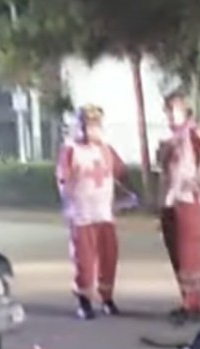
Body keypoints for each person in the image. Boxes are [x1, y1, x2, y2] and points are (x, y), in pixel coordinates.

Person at [157, 90, 200, 326]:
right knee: (176, 253)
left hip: (188, 200)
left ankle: (194, 306)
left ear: (184, 109)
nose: (170, 113)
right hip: (170, 200)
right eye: (167, 109)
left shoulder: (194, 132)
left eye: (174, 108)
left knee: (189, 255)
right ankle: (186, 300)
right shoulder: (171, 138)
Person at [56, 104, 129, 321]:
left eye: (96, 124)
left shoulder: (105, 149)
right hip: (82, 216)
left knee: (109, 258)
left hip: (104, 214)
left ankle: (107, 298)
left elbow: (120, 173)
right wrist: (70, 203)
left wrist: (128, 197)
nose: (92, 129)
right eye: (88, 124)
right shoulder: (70, 150)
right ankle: (84, 301)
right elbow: (63, 179)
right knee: (84, 262)